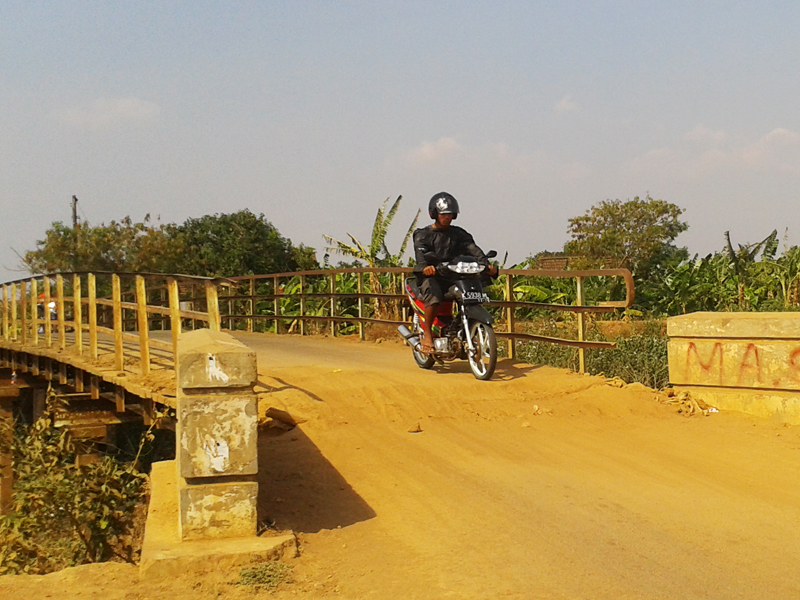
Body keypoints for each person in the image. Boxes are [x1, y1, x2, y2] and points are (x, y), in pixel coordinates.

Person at [413, 192, 498, 353]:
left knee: (469, 293)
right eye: (443, 214)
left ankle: (460, 329)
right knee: (434, 296)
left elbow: (474, 249)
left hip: (454, 276)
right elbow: (421, 256)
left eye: (450, 214)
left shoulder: (459, 234)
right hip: (432, 276)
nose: (447, 217)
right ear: (434, 214)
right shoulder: (423, 235)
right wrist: (426, 267)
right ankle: (427, 334)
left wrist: (486, 265)